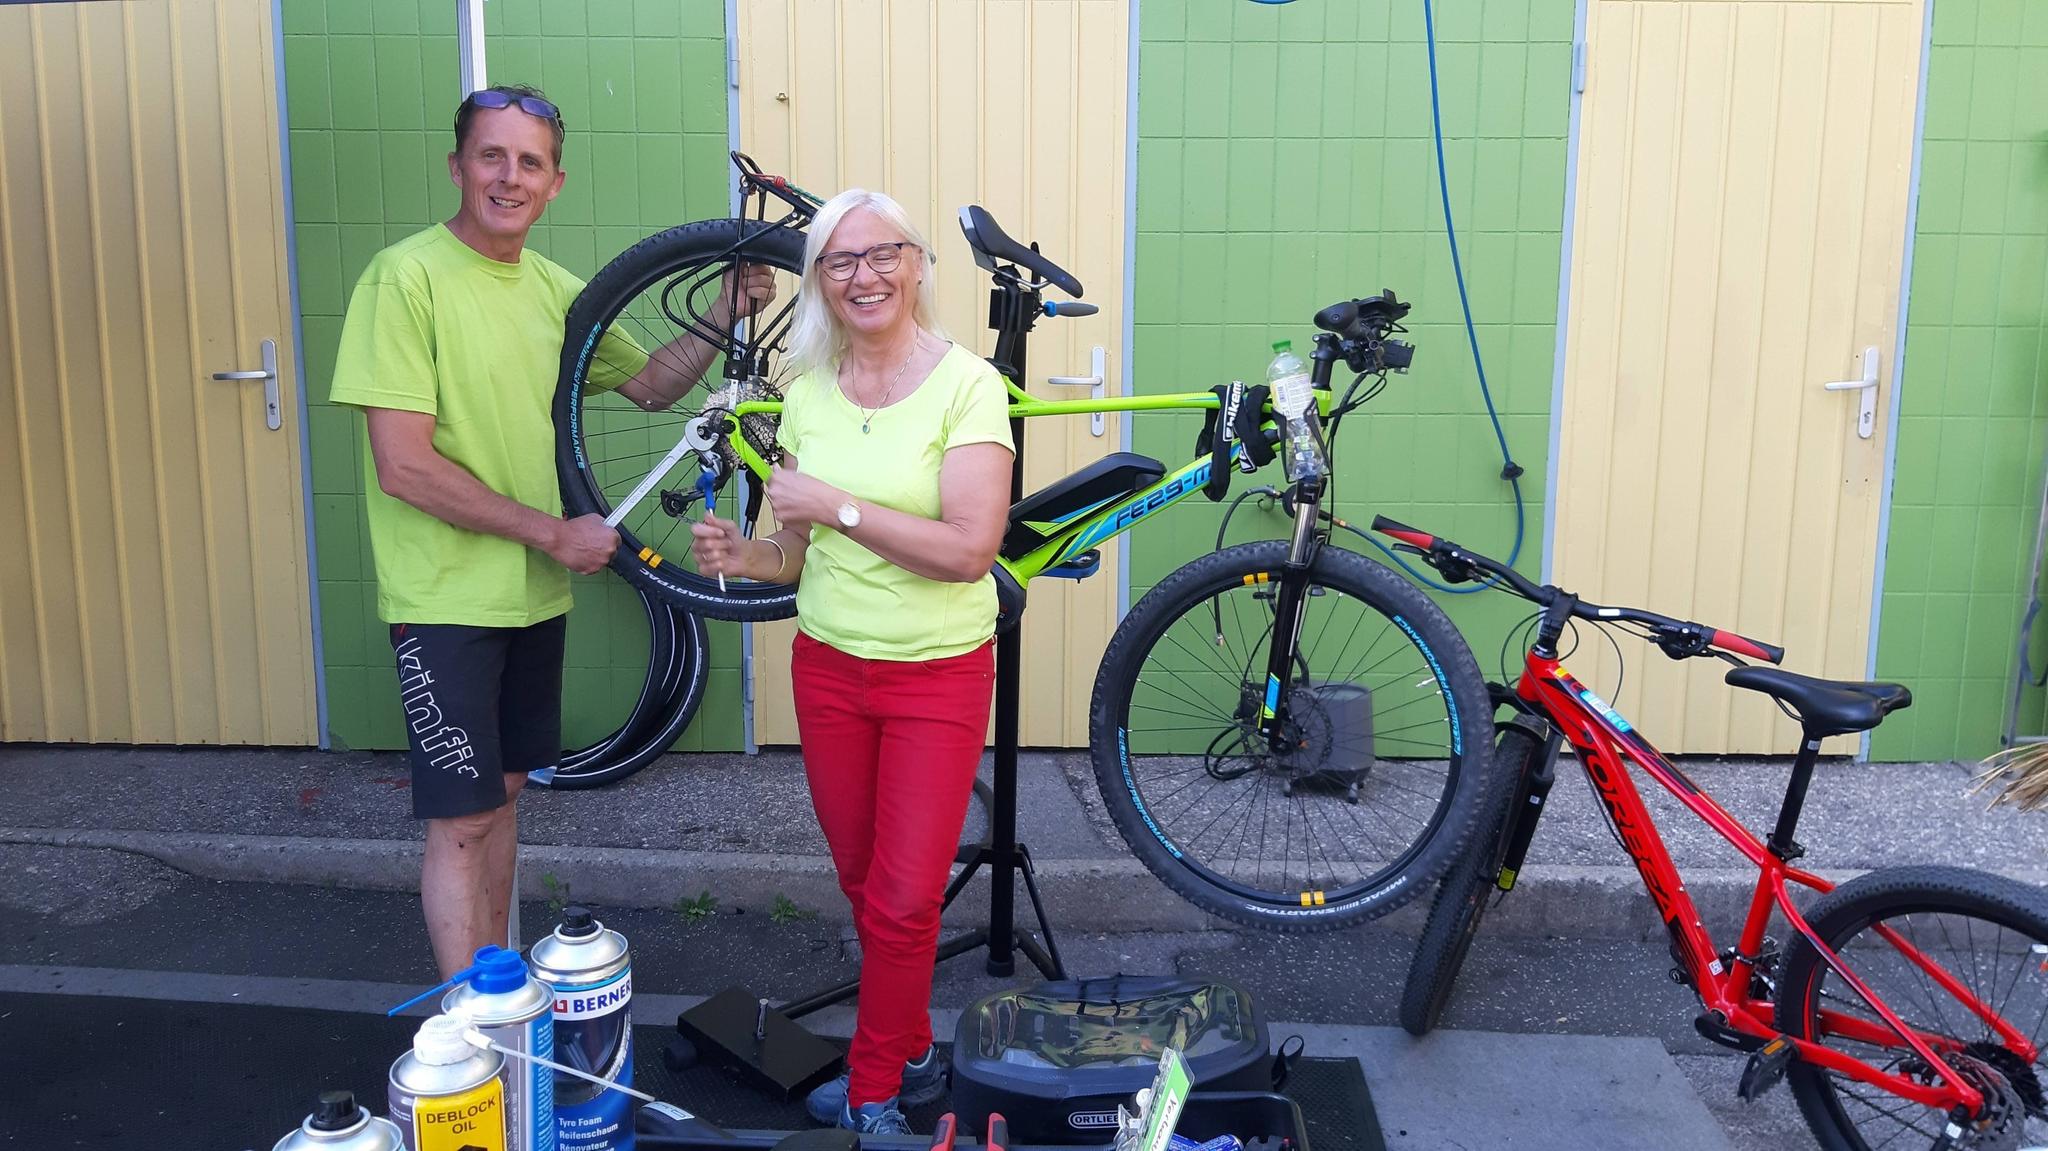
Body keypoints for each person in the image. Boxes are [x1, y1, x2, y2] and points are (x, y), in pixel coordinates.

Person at [329, 83, 772, 979]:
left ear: (555, 183)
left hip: (532, 594)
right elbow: (403, 465)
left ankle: (500, 989)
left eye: (529, 162)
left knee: (504, 794)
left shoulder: (555, 290)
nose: (510, 177)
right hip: (445, 596)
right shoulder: (404, 278)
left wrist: (723, 309)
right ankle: (470, 1020)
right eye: (491, 156)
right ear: (457, 166)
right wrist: (551, 532)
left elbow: (653, 385)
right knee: (463, 819)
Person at [691, 189, 1012, 1135]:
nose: (863, 275)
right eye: (839, 260)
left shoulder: (968, 386)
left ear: (916, 265)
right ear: (819, 280)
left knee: (906, 901)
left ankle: (873, 1095)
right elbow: (795, 554)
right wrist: (746, 555)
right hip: (830, 670)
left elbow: (969, 550)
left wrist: (836, 504)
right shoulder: (806, 394)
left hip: (937, 675)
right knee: (868, 887)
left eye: (882, 255)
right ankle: (910, 1054)